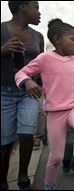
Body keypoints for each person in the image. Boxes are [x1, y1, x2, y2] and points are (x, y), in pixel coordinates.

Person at [14, 18, 74, 190]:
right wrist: (27, 82)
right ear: (58, 39)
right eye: (72, 39)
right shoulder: (44, 58)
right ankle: (49, 185)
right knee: (56, 157)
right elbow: (20, 74)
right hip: (54, 112)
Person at [1, 1, 44, 190]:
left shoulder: (39, 37)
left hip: (30, 93)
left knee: (27, 134)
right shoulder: (1, 30)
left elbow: (43, 66)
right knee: (5, 140)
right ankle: (2, 179)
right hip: (4, 92)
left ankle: (23, 174)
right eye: (36, 7)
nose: (39, 12)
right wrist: (2, 51)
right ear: (23, 7)